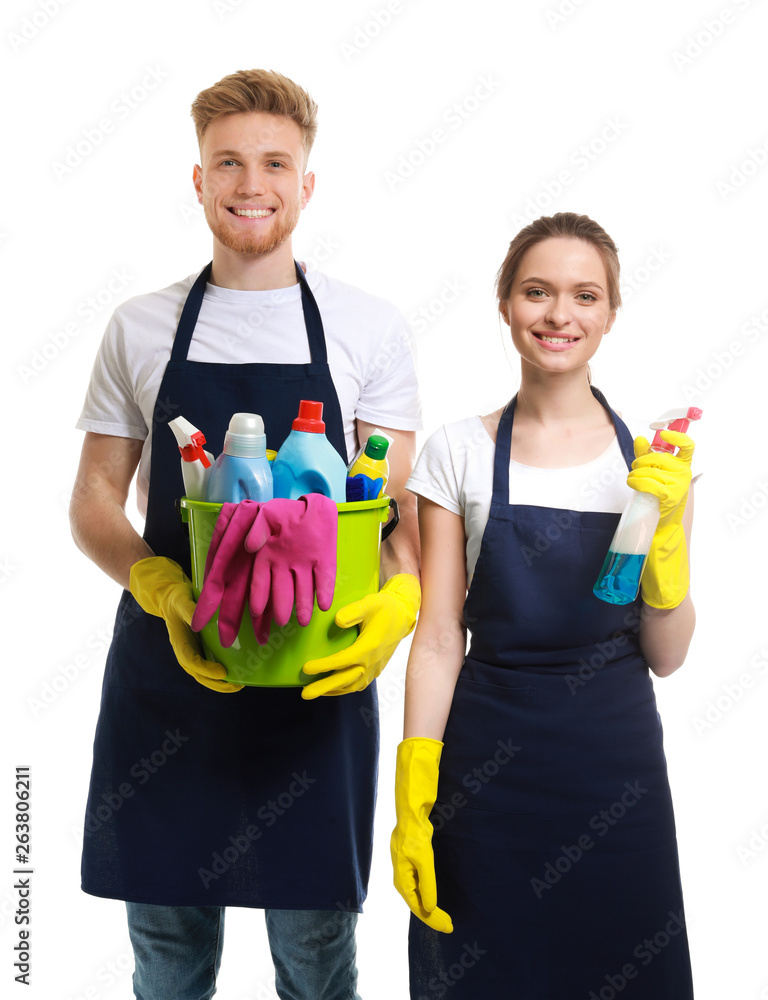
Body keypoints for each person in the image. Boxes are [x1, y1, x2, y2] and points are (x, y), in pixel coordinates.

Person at [69, 69, 422, 1000]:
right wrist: (162, 590)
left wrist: (401, 604)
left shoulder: (369, 328)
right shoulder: (139, 328)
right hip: (170, 679)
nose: (250, 183)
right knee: (170, 962)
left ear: (307, 186)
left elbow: (400, 513)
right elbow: (94, 502)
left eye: (275, 162)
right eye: (228, 162)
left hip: (315, 680)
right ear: (198, 181)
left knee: (314, 963)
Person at [390, 213, 695, 998]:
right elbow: (436, 639)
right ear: (505, 304)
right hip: (487, 774)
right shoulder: (457, 451)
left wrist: (666, 553)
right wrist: (415, 777)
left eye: (584, 295)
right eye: (538, 291)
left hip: (615, 771)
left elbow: (666, 654)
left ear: (610, 314)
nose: (560, 315)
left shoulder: (656, 463)